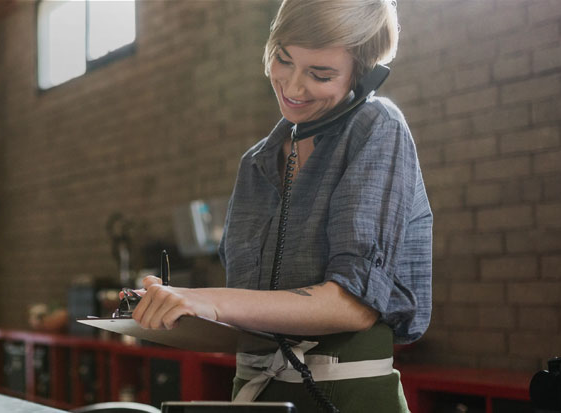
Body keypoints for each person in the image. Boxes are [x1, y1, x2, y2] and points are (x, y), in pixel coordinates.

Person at [131, 0, 432, 411]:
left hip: (345, 399)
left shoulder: (378, 127)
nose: (292, 87)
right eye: (283, 60)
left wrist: (211, 300)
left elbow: (354, 305)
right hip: (254, 396)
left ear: (365, 76)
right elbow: (248, 308)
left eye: (320, 74)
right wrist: (176, 307)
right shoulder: (256, 161)